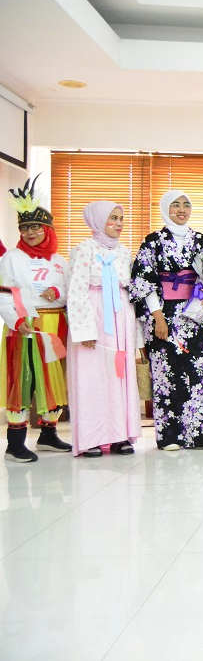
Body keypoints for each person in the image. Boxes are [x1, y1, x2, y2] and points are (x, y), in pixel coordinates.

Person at [131, 190, 203, 450]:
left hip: (194, 313)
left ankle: (200, 435)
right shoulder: (152, 241)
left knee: (198, 373)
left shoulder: (200, 240)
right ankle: (170, 436)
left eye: (186, 205)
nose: (181, 209)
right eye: (175, 205)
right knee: (166, 373)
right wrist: (157, 317)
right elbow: (144, 281)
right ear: (165, 208)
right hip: (164, 315)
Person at [1, 176, 72, 462]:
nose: (30, 232)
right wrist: (16, 321)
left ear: (48, 229)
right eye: (24, 227)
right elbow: (4, 294)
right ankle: (14, 443)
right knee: (24, 380)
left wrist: (58, 292)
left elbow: (70, 291)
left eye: (36, 227)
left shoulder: (59, 260)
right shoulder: (11, 258)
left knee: (52, 381)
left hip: (55, 326)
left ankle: (48, 436)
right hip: (25, 326)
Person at [67, 201, 141, 457]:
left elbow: (131, 292)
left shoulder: (124, 252)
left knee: (119, 375)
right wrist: (85, 331)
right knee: (93, 378)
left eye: (121, 219)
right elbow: (76, 291)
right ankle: (92, 438)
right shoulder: (83, 249)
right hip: (95, 319)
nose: (118, 224)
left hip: (120, 321)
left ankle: (120, 436)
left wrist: (135, 333)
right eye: (113, 219)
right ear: (97, 220)